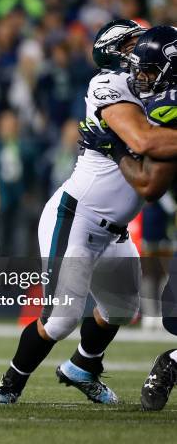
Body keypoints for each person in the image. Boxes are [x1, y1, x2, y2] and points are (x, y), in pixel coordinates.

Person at [0, 19, 148, 405]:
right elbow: (144, 138)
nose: (145, 53)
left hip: (114, 229)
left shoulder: (153, 89)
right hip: (77, 215)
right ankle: (9, 385)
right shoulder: (108, 84)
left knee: (122, 308)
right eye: (137, 44)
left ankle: (83, 367)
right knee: (61, 317)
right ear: (117, 51)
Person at [78, 25, 177, 411]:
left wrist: (116, 147)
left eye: (149, 70)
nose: (141, 78)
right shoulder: (164, 103)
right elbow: (152, 183)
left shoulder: (166, 105)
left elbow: (147, 180)